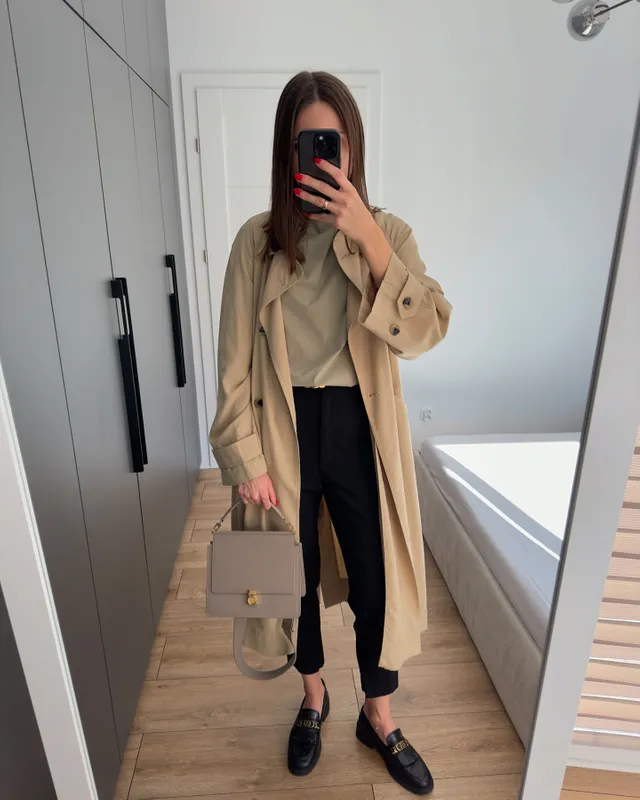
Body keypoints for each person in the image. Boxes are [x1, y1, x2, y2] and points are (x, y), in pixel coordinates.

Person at [209, 71, 451, 796]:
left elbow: (427, 329)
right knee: (295, 579)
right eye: (306, 143)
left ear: (352, 148)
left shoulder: (388, 234)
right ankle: (313, 698)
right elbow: (232, 366)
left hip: (359, 428)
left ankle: (379, 715)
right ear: (287, 152)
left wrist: (368, 236)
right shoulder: (257, 243)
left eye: (333, 143)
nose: (321, 157)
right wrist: (244, 459)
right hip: (281, 431)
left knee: (377, 579)